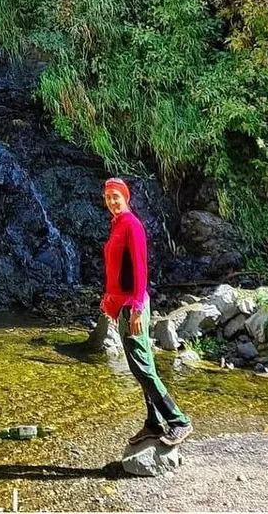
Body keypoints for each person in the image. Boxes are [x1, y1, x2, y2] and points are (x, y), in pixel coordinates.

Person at [101, 177, 193, 446]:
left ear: (126, 197)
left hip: (134, 306)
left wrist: (138, 308)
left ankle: (178, 421)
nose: (112, 202)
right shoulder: (116, 225)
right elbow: (116, 270)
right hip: (122, 305)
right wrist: (109, 300)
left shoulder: (132, 225)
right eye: (108, 198)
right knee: (140, 366)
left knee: (142, 367)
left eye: (116, 196)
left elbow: (140, 269)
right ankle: (153, 423)